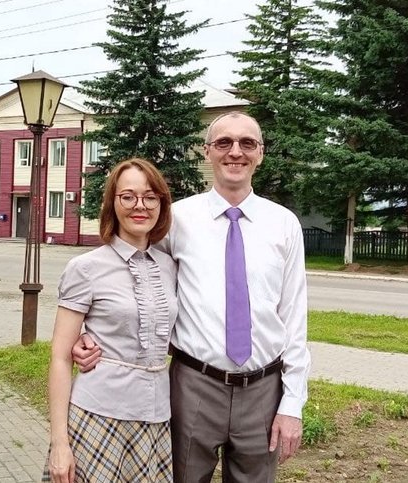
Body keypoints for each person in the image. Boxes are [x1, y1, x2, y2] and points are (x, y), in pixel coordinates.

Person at [74, 112, 311, 482]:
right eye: (223, 143)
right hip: (193, 386)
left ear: (261, 154)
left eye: (247, 143)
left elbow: (295, 318)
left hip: (264, 391)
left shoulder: (283, 224)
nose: (235, 152)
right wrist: (88, 333)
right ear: (207, 152)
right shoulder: (175, 219)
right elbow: (126, 272)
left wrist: (292, 403)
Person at [44, 158, 177, 483]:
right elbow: (60, 358)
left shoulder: (170, 265)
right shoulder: (86, 267)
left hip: (155, 418)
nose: (139, 206)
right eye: (127, 196)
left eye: (150, 196)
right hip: (98, 415)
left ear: (161, 202)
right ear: (112, 204)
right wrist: (60, 444)